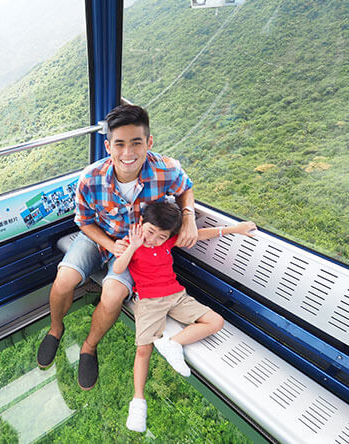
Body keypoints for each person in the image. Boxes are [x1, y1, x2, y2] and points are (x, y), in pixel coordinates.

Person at [36, 104, 199, 390]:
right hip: (100, 237)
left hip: (137, 250)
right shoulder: (91, 178)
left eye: (136, 143)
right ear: (108, 146)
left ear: (149, 142)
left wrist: (188, 217)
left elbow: (185, 187)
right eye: (120, 144)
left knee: (112, 296)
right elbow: (84, 222)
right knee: (63, 280)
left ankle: (89, 346)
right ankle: (56, 328)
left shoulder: (165, 170)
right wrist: (110, 245)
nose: (128, 153)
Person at [113, 201, 257, 432]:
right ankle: (138, 401)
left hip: (176, 295)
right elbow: (118, 268)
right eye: (150, 232)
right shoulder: (132, 242)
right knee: (143, 349)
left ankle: (173, 343)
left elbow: (199, 234)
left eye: (161, 236)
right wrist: (134, 246)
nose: (154, 239)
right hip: (149, 300)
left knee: (216, 321)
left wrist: (234, 229)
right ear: (141, 223)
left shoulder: (168, 241)